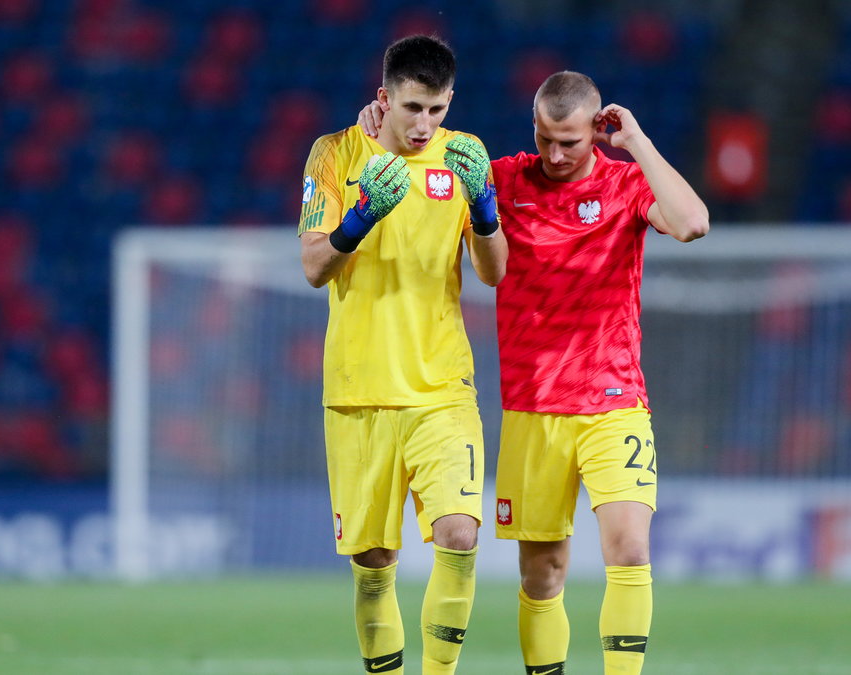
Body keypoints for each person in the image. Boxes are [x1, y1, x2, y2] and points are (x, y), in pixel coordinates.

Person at [358, 70, 709, 674]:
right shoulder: (503, 179)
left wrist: (640, 144)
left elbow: (692, 223)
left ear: (598, 131)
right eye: (545, 138)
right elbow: (427, 170)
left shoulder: (626, 184)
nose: (554, 153)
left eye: (570, 142)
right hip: (533, 408)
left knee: (628, 547)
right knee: (543, 573)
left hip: (613, 402)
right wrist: (383, 134)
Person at [298, 34, 508, 675]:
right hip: (359, 390)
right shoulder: (335, 154)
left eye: (437, 110)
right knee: (373, 565)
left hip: (442, 387)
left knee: (461, 534)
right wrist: (359, 219)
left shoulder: (468, 155)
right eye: (413, 108)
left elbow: (494, 274)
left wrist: (488, 210)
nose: (424, 125)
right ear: (384, 98)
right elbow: (313, 266)